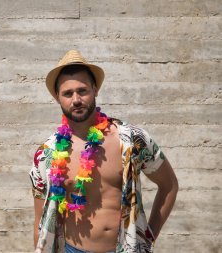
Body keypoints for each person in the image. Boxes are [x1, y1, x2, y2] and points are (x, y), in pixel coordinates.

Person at [29, 50, 178, 253]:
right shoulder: (46, 154)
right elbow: (41, 221)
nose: (76, 100)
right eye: (67, 93)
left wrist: (147, 238)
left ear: (95, 89)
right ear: (57, 98)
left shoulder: (131, 140)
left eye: (82, 91)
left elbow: (169, 186)